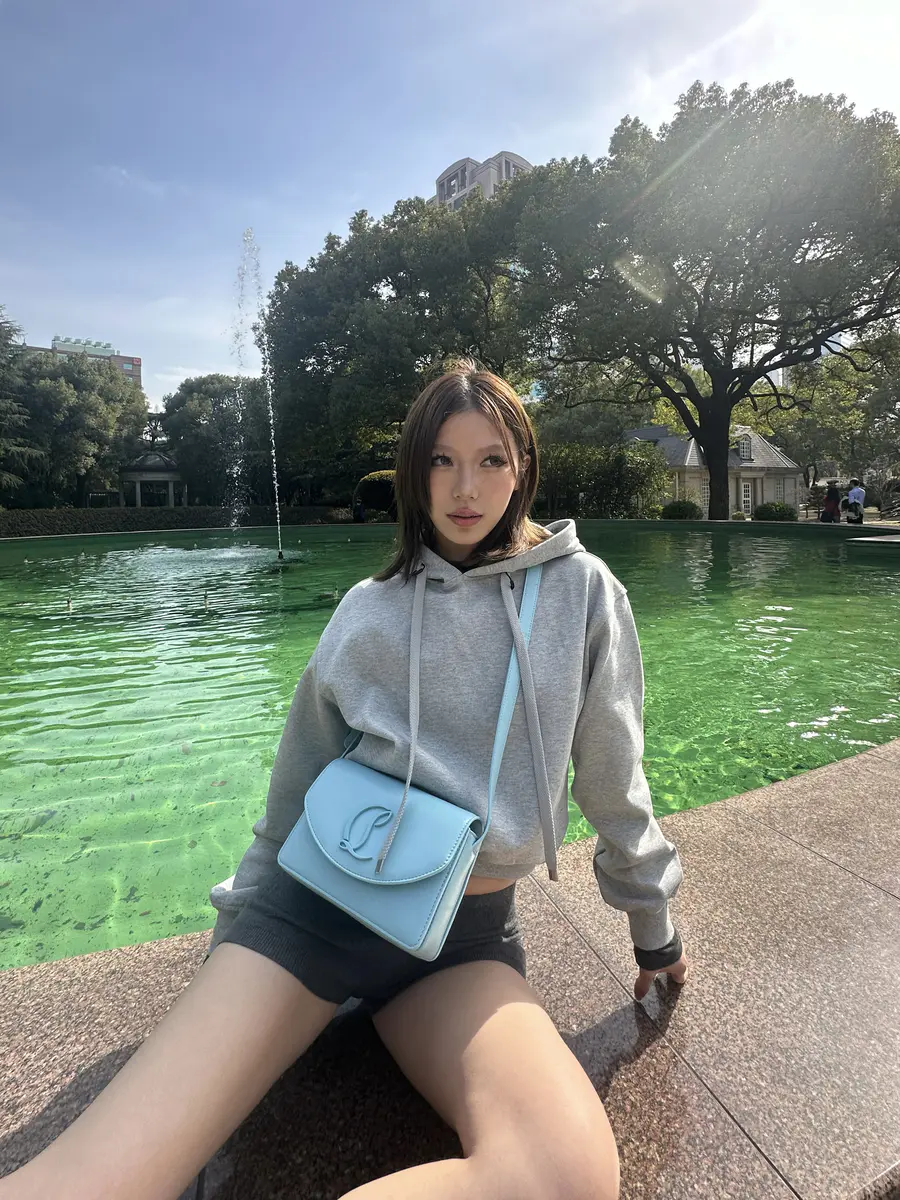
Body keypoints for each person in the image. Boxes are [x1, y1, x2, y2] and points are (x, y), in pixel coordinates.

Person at [2, 362, 686, 1200]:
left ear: (524, 469)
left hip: (460, 947)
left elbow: (615, 779)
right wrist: (229, 964)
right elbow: (291, 800)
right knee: (96, 1180)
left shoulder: (582, 593)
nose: (464, 488)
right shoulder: (368, 608)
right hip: (310, 919)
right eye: (440, 461)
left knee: (564, 1175)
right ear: (412, 473)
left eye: (490, 461)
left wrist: (653, 927)